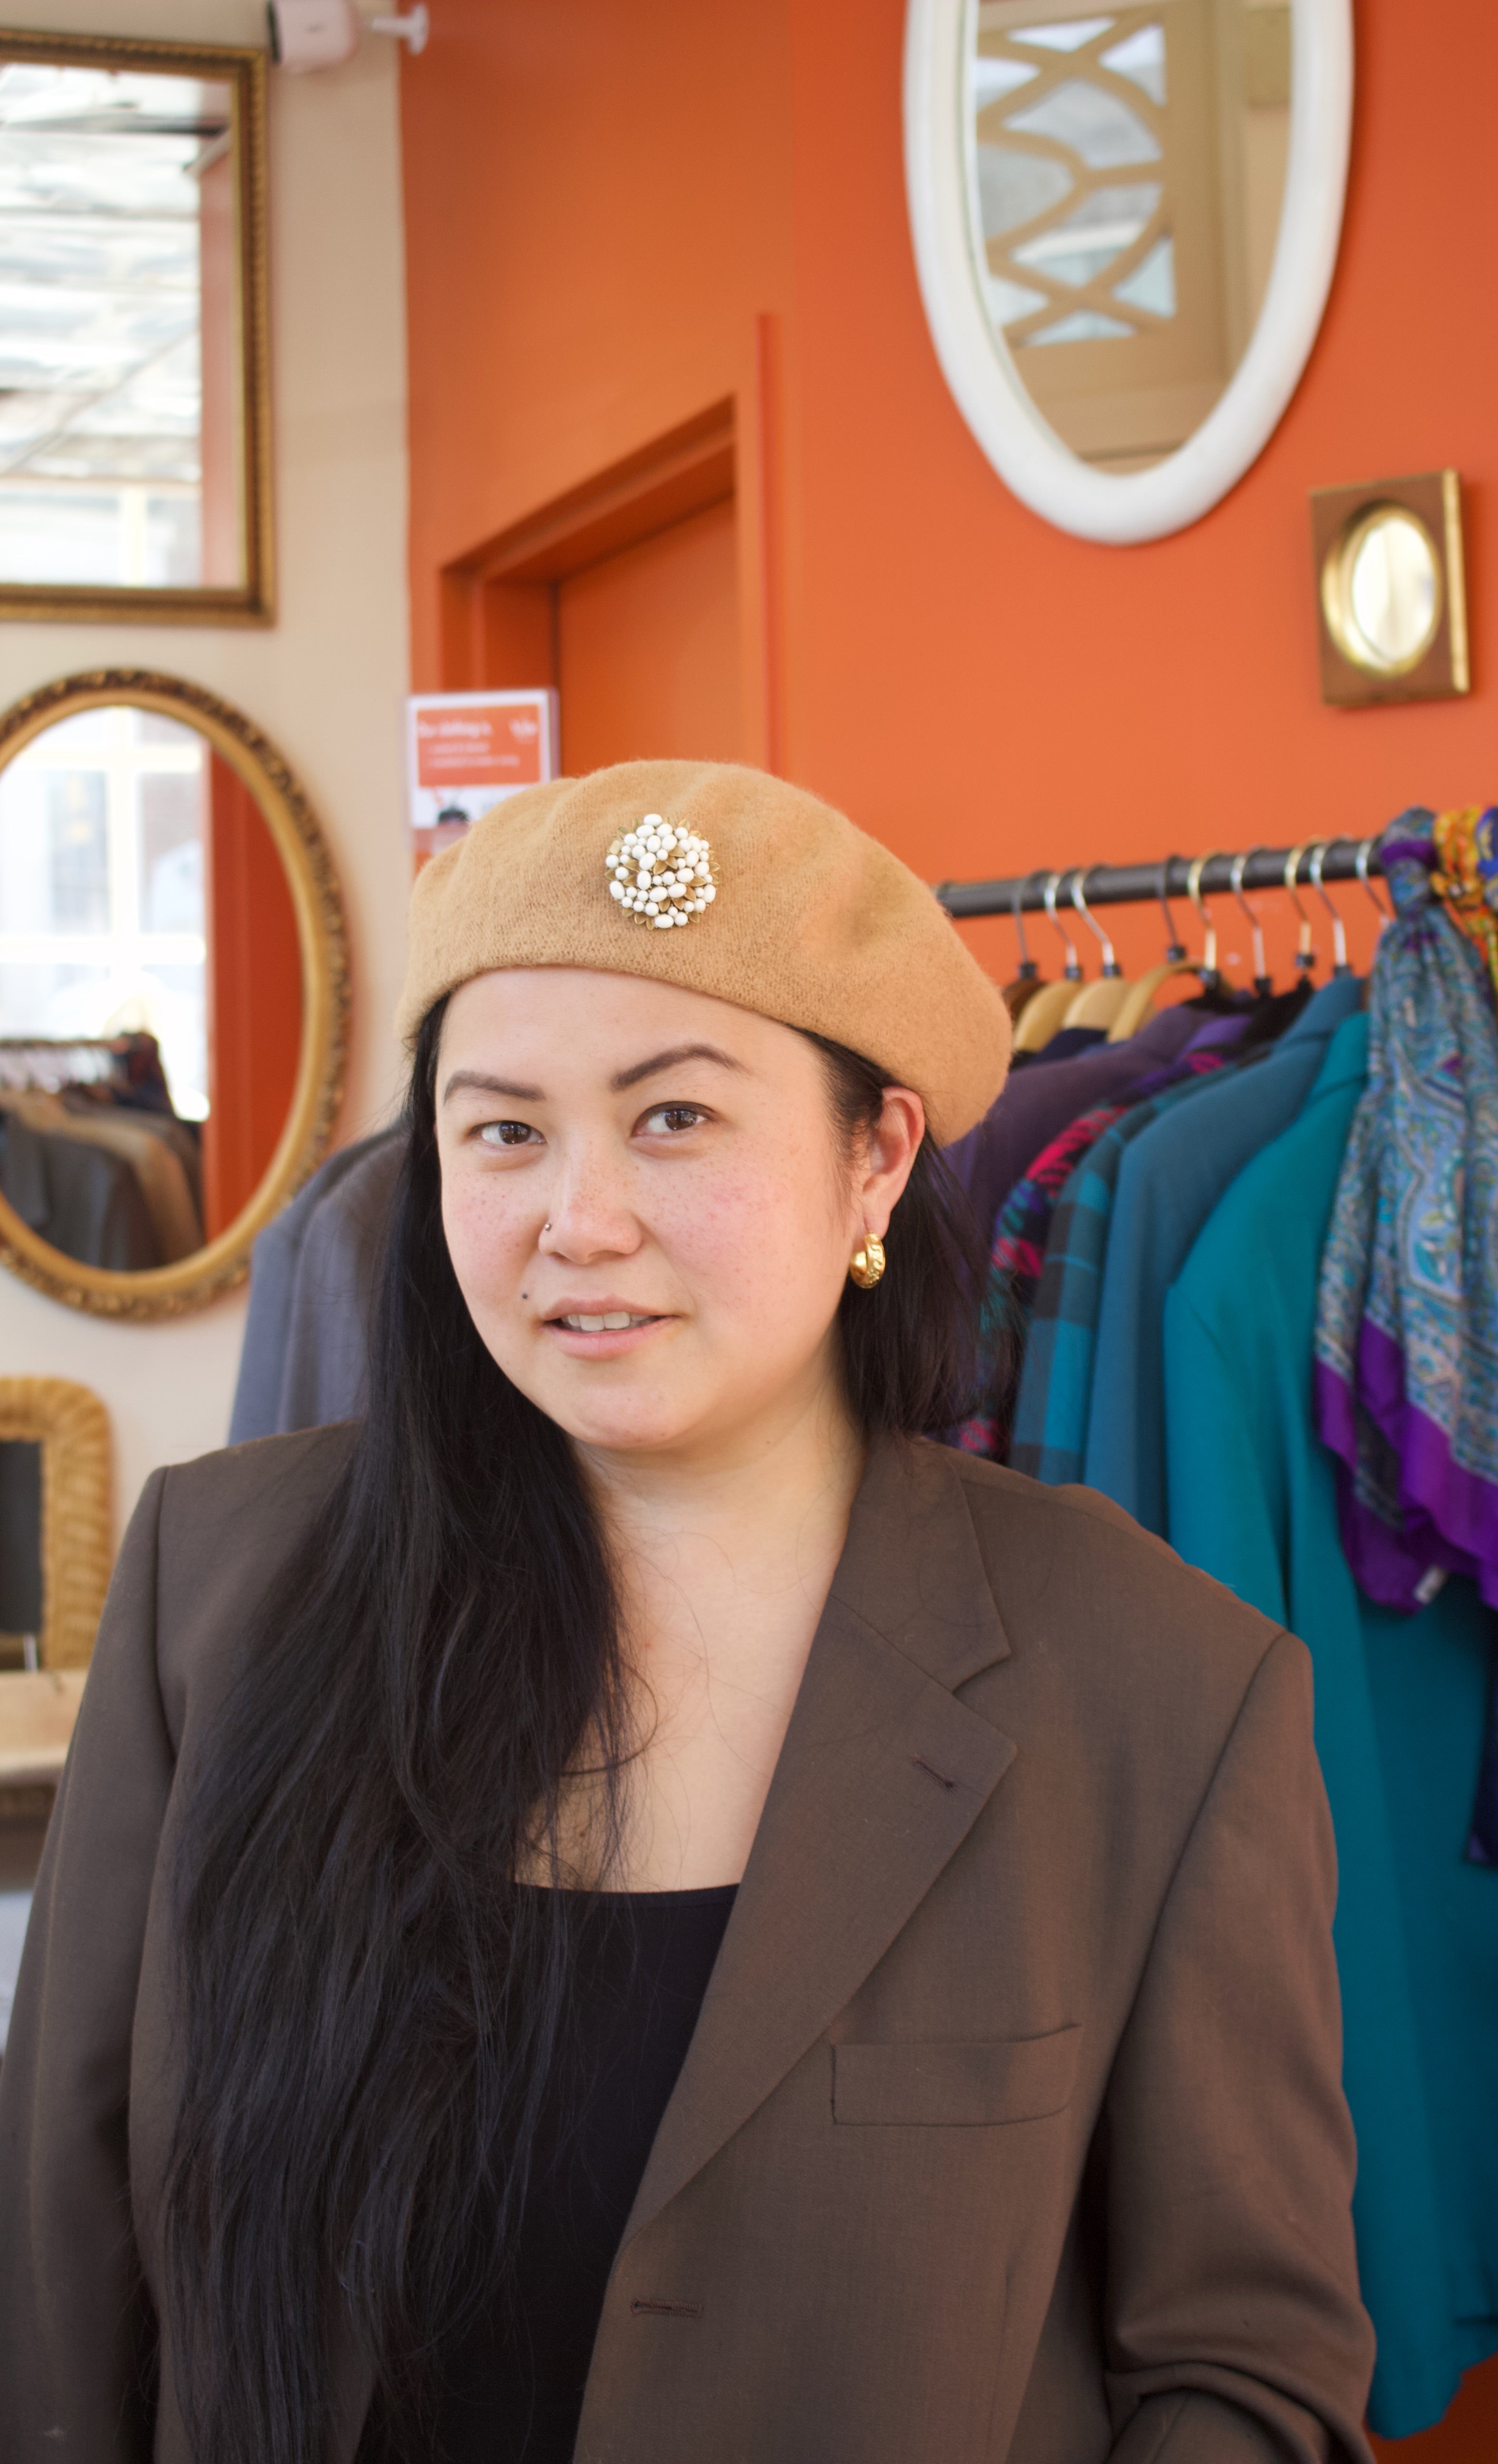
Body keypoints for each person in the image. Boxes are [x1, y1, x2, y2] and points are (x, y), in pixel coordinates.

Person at [0, 763, 1375, 2464]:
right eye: (505, 1129)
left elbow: (1246, 2377)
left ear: (876, 1162)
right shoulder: (215, 1590)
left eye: (675, 1119)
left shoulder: (1157, 1684)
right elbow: (60, 2277)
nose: (582, 1222)